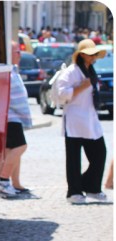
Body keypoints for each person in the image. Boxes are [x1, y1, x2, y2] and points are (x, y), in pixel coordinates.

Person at [55, 39, 109, 204]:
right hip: (74, 119)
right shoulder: (71, 72)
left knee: (100, 154)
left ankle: (91, 187)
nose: (93, 57)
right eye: (90, 54)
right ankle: (74, 191)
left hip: (90, 118)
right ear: (82, 55)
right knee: (73, 159)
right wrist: (80, 87)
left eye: (94, 54)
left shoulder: (91, 71)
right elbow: (61, 94)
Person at [0, 41, 33, 198]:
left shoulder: (13, 70)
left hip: (14, 117)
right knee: (20, 147)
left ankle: (14, 183)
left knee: (10, 151)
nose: (20, 55)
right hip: (10, 116)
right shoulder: (6, 72)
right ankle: (3, 181)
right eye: (17, 52)